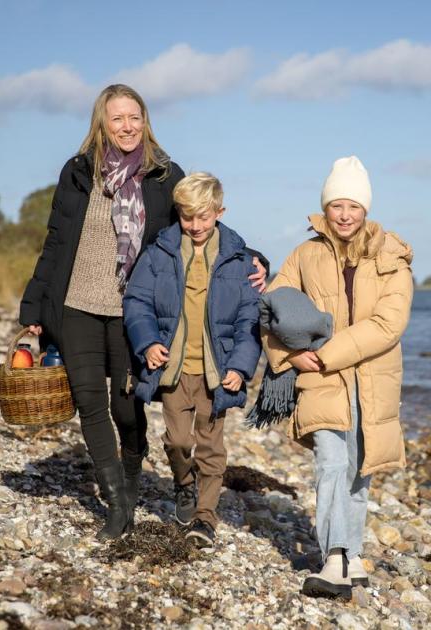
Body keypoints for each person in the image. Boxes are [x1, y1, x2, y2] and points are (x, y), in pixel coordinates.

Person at [19, 85, 267, 541]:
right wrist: (34, 304)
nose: (127, 126)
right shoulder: (77, 173)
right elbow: (54, 240)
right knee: (90, 402)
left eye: (134, 117)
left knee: (126, 407)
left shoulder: (163, 174)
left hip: (132, 306)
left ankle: (133, 470)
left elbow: (198, 225)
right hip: (76, 303)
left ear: (145, 120)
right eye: (117, 119)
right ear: (102, 122)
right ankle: (117, 503)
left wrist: (251, 257)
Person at [261, 156, 413, 599]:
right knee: (330, 462)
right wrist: (289, 356)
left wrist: (323, 355)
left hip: (373, 379)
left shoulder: (394, 258)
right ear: (325, 208)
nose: (344, 215)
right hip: (320, 380)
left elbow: (388, 325)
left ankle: (355, 555)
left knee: (359, 470)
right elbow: (270, 311)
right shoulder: (305, 255)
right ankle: (334, 559)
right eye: (336, 205)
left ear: (365, 208)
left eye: (353, 205)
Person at [122, 172, 262, 548]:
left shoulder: (239, 260)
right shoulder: (159, 253)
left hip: (217, 374)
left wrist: (240, 367)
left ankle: (205, 518)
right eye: (188, 217)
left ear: (220, 211)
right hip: (173, 369)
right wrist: (148, 342)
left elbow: (250, 318)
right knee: (178, 442)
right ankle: (184, 484)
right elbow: (137, 302)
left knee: (211, 446)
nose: (196, 225)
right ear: (179, 214)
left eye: (204, 216)